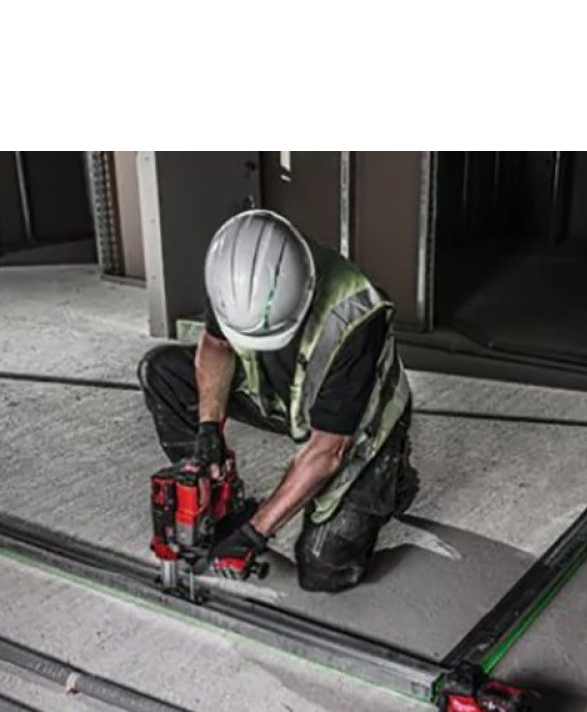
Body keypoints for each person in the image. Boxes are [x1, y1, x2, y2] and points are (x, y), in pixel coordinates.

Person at [138, 209, 418, 593]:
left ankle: (393, 478)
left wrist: (255, 532)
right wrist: (208, 429)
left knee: (324, 569)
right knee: (163, 371)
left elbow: (329, 450)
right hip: (279, 395)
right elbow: (217, 345)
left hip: (355, 421)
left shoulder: (354, 317)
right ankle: (214, 496)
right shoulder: (233, 275)